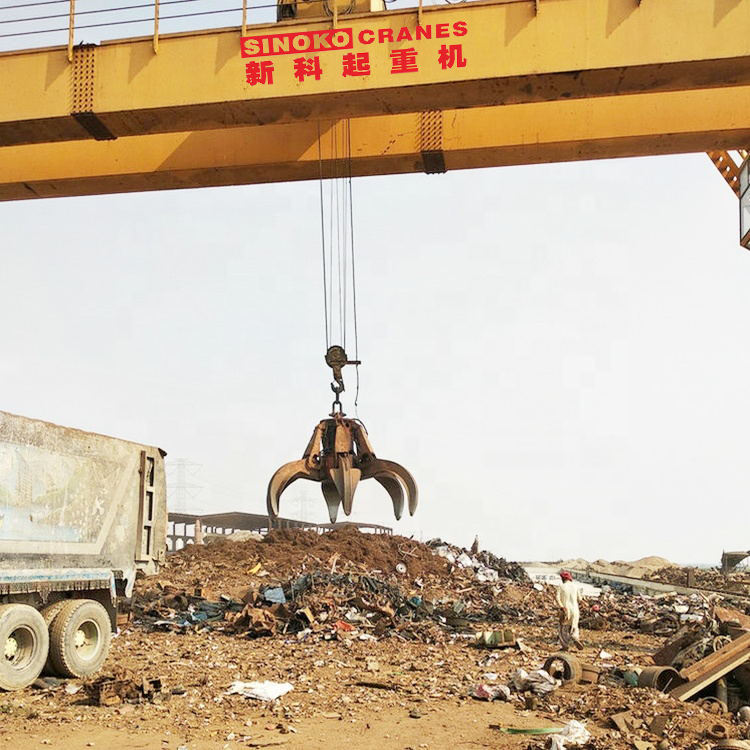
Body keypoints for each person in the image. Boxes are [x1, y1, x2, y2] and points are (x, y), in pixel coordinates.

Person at [556, 570, 583, 650]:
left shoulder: (561, 586)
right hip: (575, 610)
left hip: (566, 609)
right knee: (574, 626)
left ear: (563, 579)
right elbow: (580, 599)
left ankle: (565, 645)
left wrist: (561, 606)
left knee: (563, 628)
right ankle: (575, 637)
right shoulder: (575, 586)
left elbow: (557, 598)